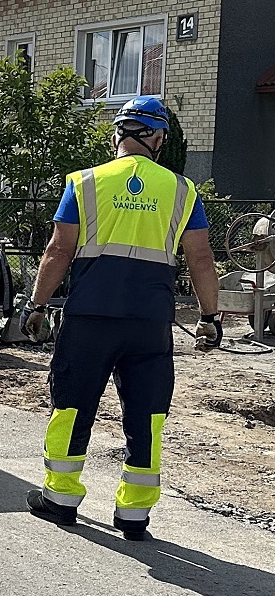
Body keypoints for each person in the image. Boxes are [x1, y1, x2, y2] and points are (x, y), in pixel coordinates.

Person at [21, 96, 222, 540]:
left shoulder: (85, 183)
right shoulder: (183, 191)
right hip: (149, 324)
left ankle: (61, 499)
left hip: (90, 319)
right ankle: (134, 515)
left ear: (118, 134)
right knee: (148, 416)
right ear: (157, 137)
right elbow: (202, 258)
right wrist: (210, 316)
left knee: (72, 405)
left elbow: (59, 250)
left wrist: (37, 304)